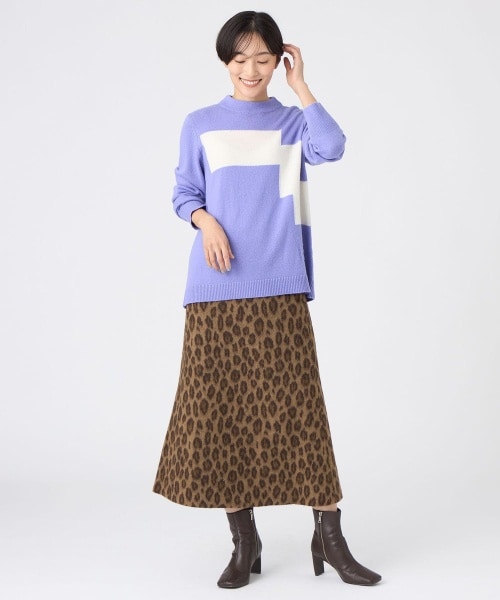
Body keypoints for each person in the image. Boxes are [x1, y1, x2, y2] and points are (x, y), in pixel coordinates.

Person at [153, 10, 382, 589]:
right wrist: (206, 221)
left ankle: (329, 537)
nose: (251, 70)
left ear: (278, 60)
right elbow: (184, 191)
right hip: (215, 289)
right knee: (225, 414)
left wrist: (301, 87)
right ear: (225, 62)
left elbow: (333, 147)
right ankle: (244, 541)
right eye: (240, 59)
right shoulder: (200, 123)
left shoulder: (292, 123)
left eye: (263, 59)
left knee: (302, 414)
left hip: (280, 284)